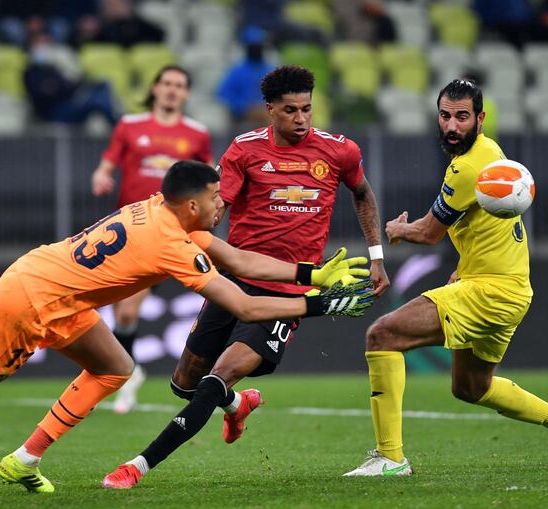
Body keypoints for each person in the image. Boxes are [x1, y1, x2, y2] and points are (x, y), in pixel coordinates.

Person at [0, 160, 375, 493]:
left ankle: (24, 460)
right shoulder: (170, 242)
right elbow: (246, 306)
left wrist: (309, 272)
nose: (221, 205)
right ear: (191, 204)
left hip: (42, 281)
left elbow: (244, 262)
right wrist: (325, 306)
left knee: (115, 367)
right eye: (213, 199)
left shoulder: (160, 212)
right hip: (30, 304)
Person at [102, 65, 390, 489]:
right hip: (234, 277)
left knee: (218, 377)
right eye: (290, 110)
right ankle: (238, 405)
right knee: (185, 384)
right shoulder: (244, 150)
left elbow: (362, 193)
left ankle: (137, 466)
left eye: (307, 109)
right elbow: (214, 210)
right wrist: (181, 238)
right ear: (269, 110)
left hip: (288, 289)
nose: (301, 119)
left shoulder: (338, 151)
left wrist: (376, 254)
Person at [343, 79, 548, 477]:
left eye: (462, 117)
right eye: (445, 116)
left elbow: (427, 233)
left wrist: (397, 229)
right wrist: (465, 266)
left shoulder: (466, 168)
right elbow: (480, 225)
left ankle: (390, 458)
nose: (451, 126)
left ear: (480, 118)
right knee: (471, 387)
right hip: (509, 288)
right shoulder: (491, 150)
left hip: (491, 290)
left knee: (383, 335)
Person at [91, 64, 213, 413]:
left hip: (171, 233)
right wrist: (101, 176)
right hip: (129, 230)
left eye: (180, 85)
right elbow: (108, 163)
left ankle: (129, 373)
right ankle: (129, 371)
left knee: (129, 309)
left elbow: (208, 177)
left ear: (186, 93)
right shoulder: (130, 126)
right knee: (124, 313)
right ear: (155, 88)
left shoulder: (196, 133)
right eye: (167, 83)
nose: (173, 90)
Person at [23, 32, 119, 125]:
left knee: (102, 86)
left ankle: (117, 122)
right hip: (56, 113)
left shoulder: (52, 67)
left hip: (70, 104)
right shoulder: (31, 72)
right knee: (98, 99)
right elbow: (47, 95)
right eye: (40, 44)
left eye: (46, 43)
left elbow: (64, 85)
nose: (44, 48)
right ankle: (117, 124)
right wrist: (64, 86)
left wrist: (64, 85)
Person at [215, 26, 276, 126]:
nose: (257, 49)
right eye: (253, 46)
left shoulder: (270, 69)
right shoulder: (237, 70)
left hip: (269, 112)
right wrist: (244, 107)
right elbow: (223, 93)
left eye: (259, 45)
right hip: (244, 115)